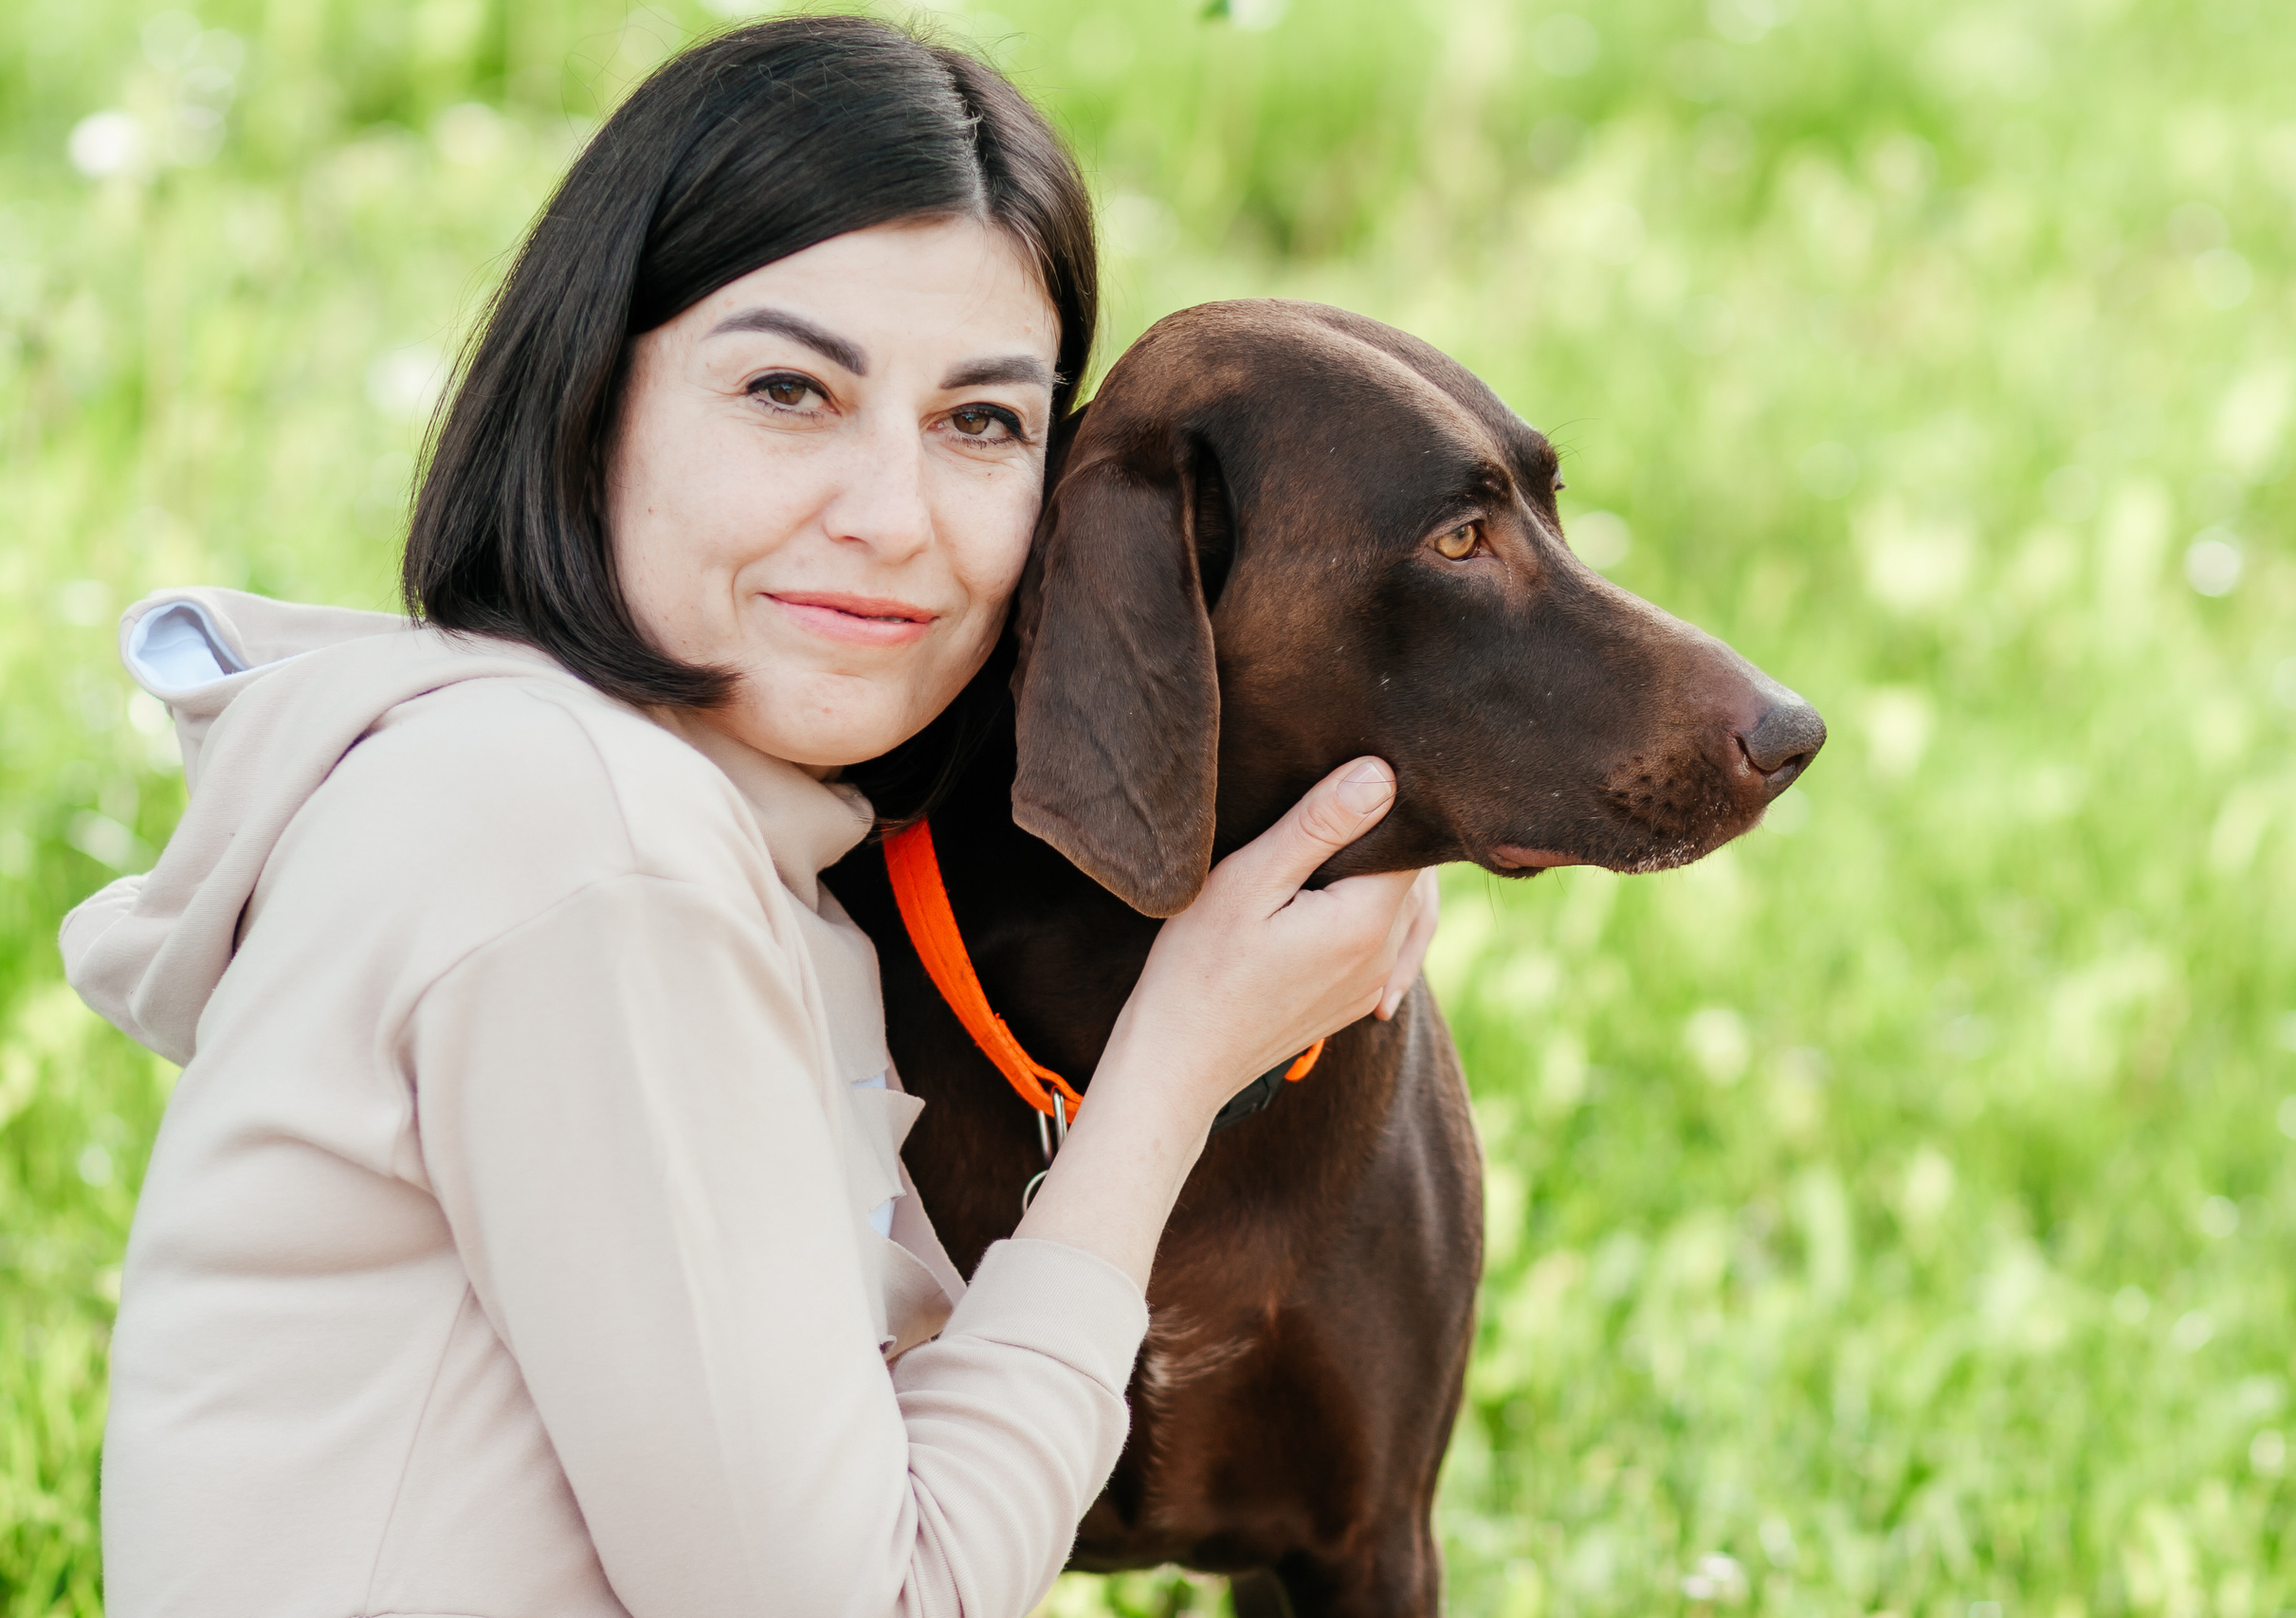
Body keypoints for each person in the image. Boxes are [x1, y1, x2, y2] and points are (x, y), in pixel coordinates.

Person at [60, 17, 1435, 1617]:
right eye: (789, 389)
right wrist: (1176, 1066)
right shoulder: (578, 841)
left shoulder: (627, 809)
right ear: (590, 398)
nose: (889, 517)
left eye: (982, 422)